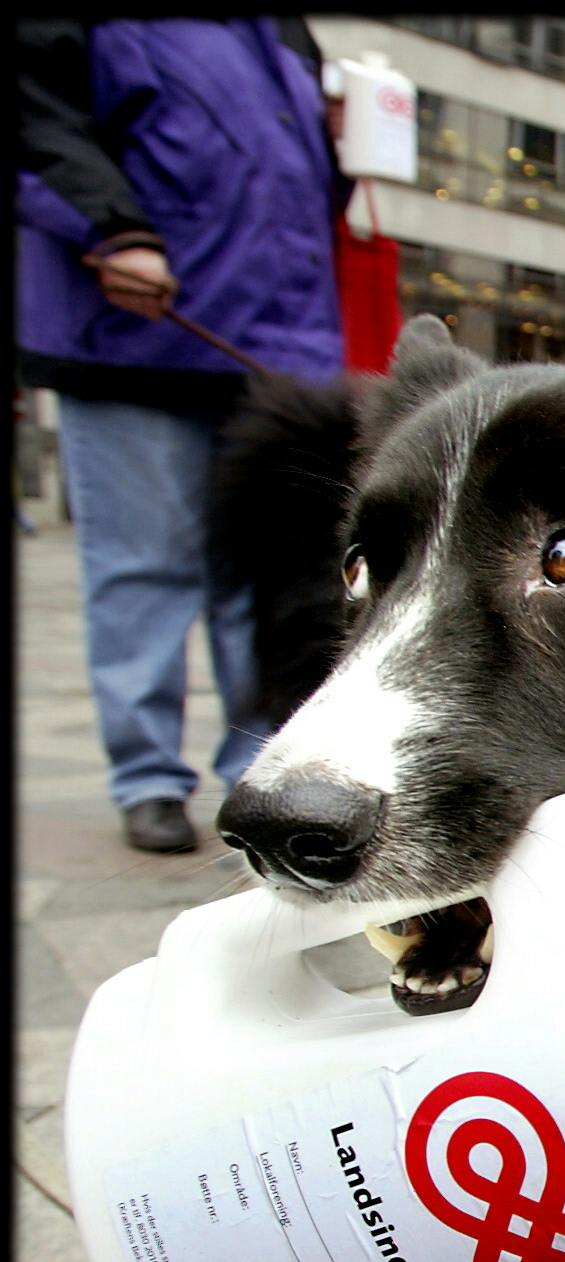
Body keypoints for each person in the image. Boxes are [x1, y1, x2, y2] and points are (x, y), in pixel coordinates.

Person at [18, 18, 349, 853]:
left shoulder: (284, 32)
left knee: (276, 582)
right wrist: (107, 226)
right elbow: (34, 110)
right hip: (136, 327)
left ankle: (263, 761)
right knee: (144, 565)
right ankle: (149, 777)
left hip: (278, 349)